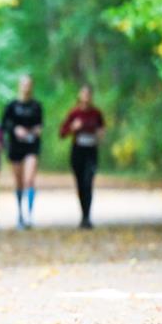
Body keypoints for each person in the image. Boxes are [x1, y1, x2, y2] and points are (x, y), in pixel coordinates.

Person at [59, 84, 106, 229]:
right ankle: (83, 214)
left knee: (88, 182)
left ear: (91, 96)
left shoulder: (96, 113)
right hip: (78, 151)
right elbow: (62, 132)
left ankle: (87, 216)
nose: (86, 97)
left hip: (91, 152)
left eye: (88, 94)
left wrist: (100, 134)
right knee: (80, 183)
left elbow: (102, 129)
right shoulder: (74, 113)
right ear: (79, 96)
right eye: (83, 94)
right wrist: (73, 127)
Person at [1, 75, 43, 228]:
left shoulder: (36, 106)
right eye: (24, 84)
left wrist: (37, 130)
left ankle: (29, 215)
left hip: (31, 147)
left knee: (29, 180)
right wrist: (15, 129)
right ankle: (20, 214)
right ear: (19, 86)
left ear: (32, 86)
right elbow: (3, 125)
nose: (26, 87)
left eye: (29, 84)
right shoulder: (11, 106)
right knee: (19, 182)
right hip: (15, 148)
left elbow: (40, 124)